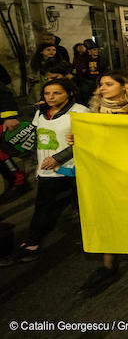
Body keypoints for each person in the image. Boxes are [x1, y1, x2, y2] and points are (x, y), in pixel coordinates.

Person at [0, 79, 88, 266]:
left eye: (57, 93)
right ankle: (32, 245)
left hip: (75, 169)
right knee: (43, 207)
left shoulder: (80, 112)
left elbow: (88, 140)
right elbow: (37, 138)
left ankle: (98, 239)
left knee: (85, 207)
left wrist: (58, 158)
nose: (51, 97)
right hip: (49, 171)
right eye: (47, 93)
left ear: (69, 93)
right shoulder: (41, 112)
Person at [80, 70, 128, 296]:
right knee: (106, 212)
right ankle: (108, 265)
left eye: (108, 84)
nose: (102, 88)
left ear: (124, 86)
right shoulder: (93, 110)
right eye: (101, 84)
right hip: (103, 168)